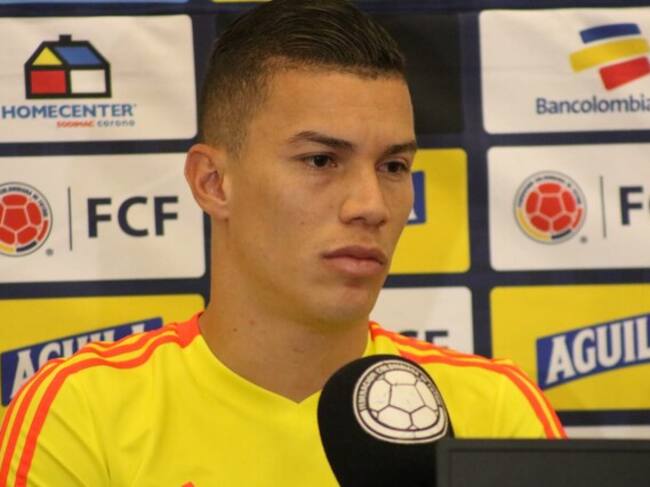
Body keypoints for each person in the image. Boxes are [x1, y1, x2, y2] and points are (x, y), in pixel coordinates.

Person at [0, 0, 565, 485]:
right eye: (321, 160)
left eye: (393, 166)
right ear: (213, 183)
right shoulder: (81, 412)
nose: (370, 205)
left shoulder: (495, 411)